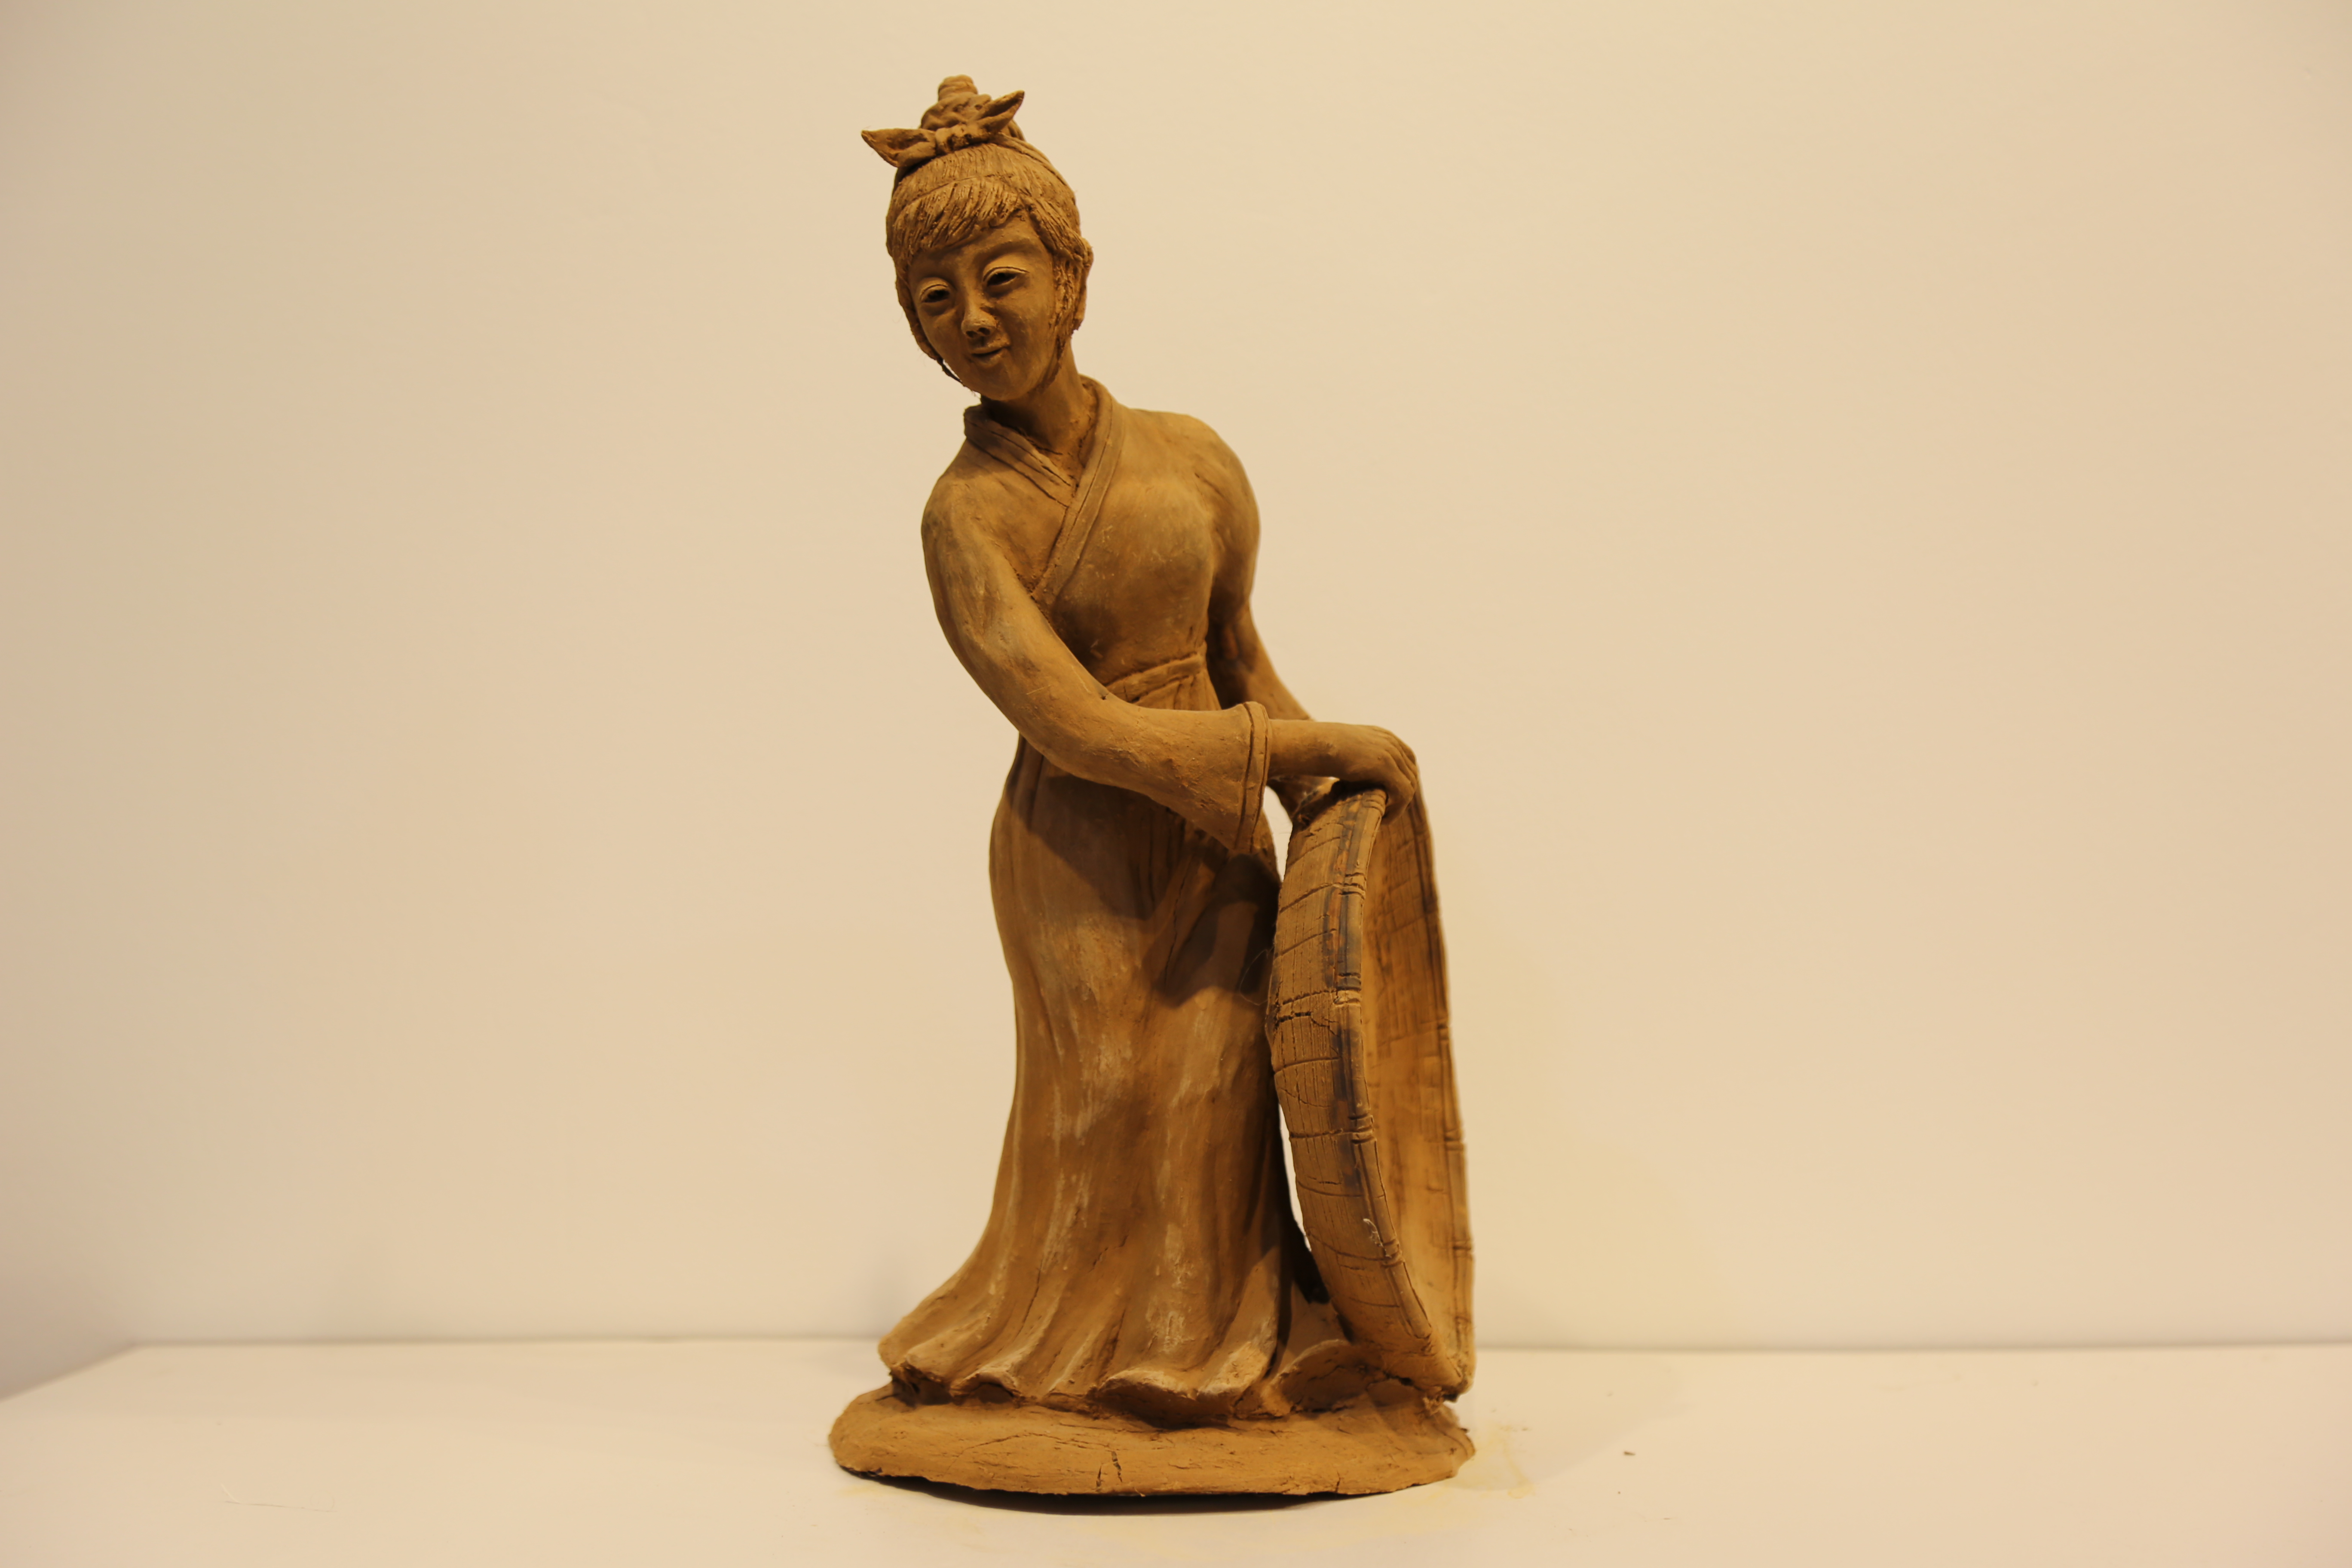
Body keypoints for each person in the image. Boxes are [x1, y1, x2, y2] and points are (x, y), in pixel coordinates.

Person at [853, 77, 1421, 1429]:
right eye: (936, 300)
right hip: (1078, 847)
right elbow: (1079, 725)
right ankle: (1061, 1350)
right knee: (1104, 1096)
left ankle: (1210, 1346)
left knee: (1217, 1085)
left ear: (1075, 278)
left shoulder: (1194, 459)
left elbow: (1240, 656)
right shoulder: (963, 519)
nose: (974, 318)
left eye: (1001, 279)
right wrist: (1309, 745)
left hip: (1216, 826)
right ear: (916, 331)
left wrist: (1321, 795)